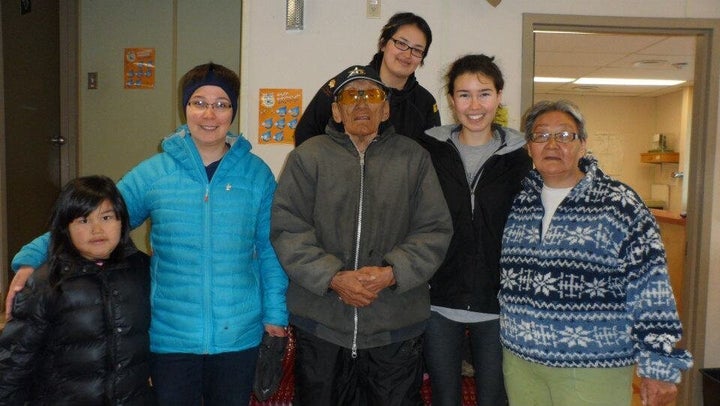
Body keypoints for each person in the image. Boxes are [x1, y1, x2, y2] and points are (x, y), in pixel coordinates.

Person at [5, 62, 289, 406]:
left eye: (221, 104)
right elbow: (97, 218)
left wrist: (275, 315)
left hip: (238, 334)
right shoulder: (156, 173)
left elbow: (269, 247)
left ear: (233, 111)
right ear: (185, 108)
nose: (209, 114)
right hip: (170, 336)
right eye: (199, 102)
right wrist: (30, 258)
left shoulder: (256, 175)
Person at [270, 64, 452, 405]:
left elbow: (435, 229)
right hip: (321, 323)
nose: (361, 104)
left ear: (386, 108)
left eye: (372, 95)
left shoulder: (415, 159)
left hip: (395, 327)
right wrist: (332, 277)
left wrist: (392, 272)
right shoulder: (307, 158)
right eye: (351, 96)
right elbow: (287, 227)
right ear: (336, 111)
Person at [499, 99, 693, 406]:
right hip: (522, 363)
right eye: (541, 135)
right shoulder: (519, 202)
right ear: (529, 147)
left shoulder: (619, 204)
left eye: (565, 135)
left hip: (593, 366)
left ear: (583, 146)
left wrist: (659, 365)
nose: (552, 144)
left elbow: (651, 290)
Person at [419, 54, 532, 406]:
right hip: (438, 301)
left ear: (499, 96)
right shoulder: (428, 151)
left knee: (495, 399)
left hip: (499, 304)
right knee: (444, 398)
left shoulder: (523, 156)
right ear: (451, 100)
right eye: (464, 94)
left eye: (484, 93)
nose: (474, 105)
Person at [0, 175, 155, 405]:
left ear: (122, 222)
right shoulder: (45, 282)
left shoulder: (143, 271)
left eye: (107, 217)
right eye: (83, 220)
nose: (97, 229)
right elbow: (16, 359)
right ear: (65, 228)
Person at [294, 12, 440, 146]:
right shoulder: (345, 85)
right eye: (401, 43)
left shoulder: (425, 103)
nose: (407, 55)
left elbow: (434, 157)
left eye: (417, 50)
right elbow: (305, 134)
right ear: (383, 44)